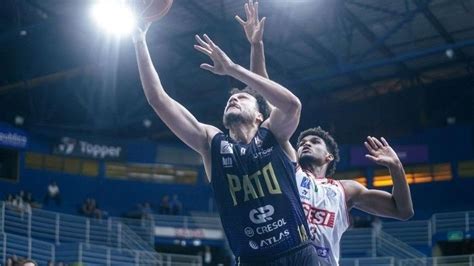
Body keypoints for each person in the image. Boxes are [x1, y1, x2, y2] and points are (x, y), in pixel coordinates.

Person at [132, 1, 318, 264]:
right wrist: (139, 38)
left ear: (259, 115)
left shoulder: (274, 134)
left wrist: (235, 66)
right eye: (231, 99)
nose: (233, 99)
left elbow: (291, 104)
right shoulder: (211, 142)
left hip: (299, 254)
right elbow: (158, 100)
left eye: (242, 97)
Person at [295, 127, 414, 265]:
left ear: (329, 156)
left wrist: (396, 167)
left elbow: (403, 211)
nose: (306, 144)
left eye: (315, 142)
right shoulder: (286, 178)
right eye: (302, 143)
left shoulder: (345, 189)